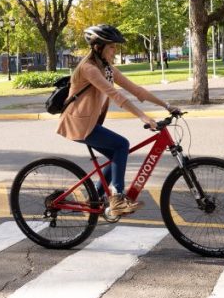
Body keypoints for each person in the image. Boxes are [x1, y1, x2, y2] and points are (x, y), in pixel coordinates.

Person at [57, 24, 179, 221]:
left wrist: (167, 105)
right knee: (121, 145)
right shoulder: (89, 69)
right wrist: (143, 117)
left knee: (117, 153)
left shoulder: (106, 68)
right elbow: (115, 95)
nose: (115, 50)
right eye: (112, 47)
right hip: (78, 124)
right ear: (98, 47)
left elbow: (136, 90)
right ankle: (117, 199)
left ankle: (96, 198)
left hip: (89, 123)